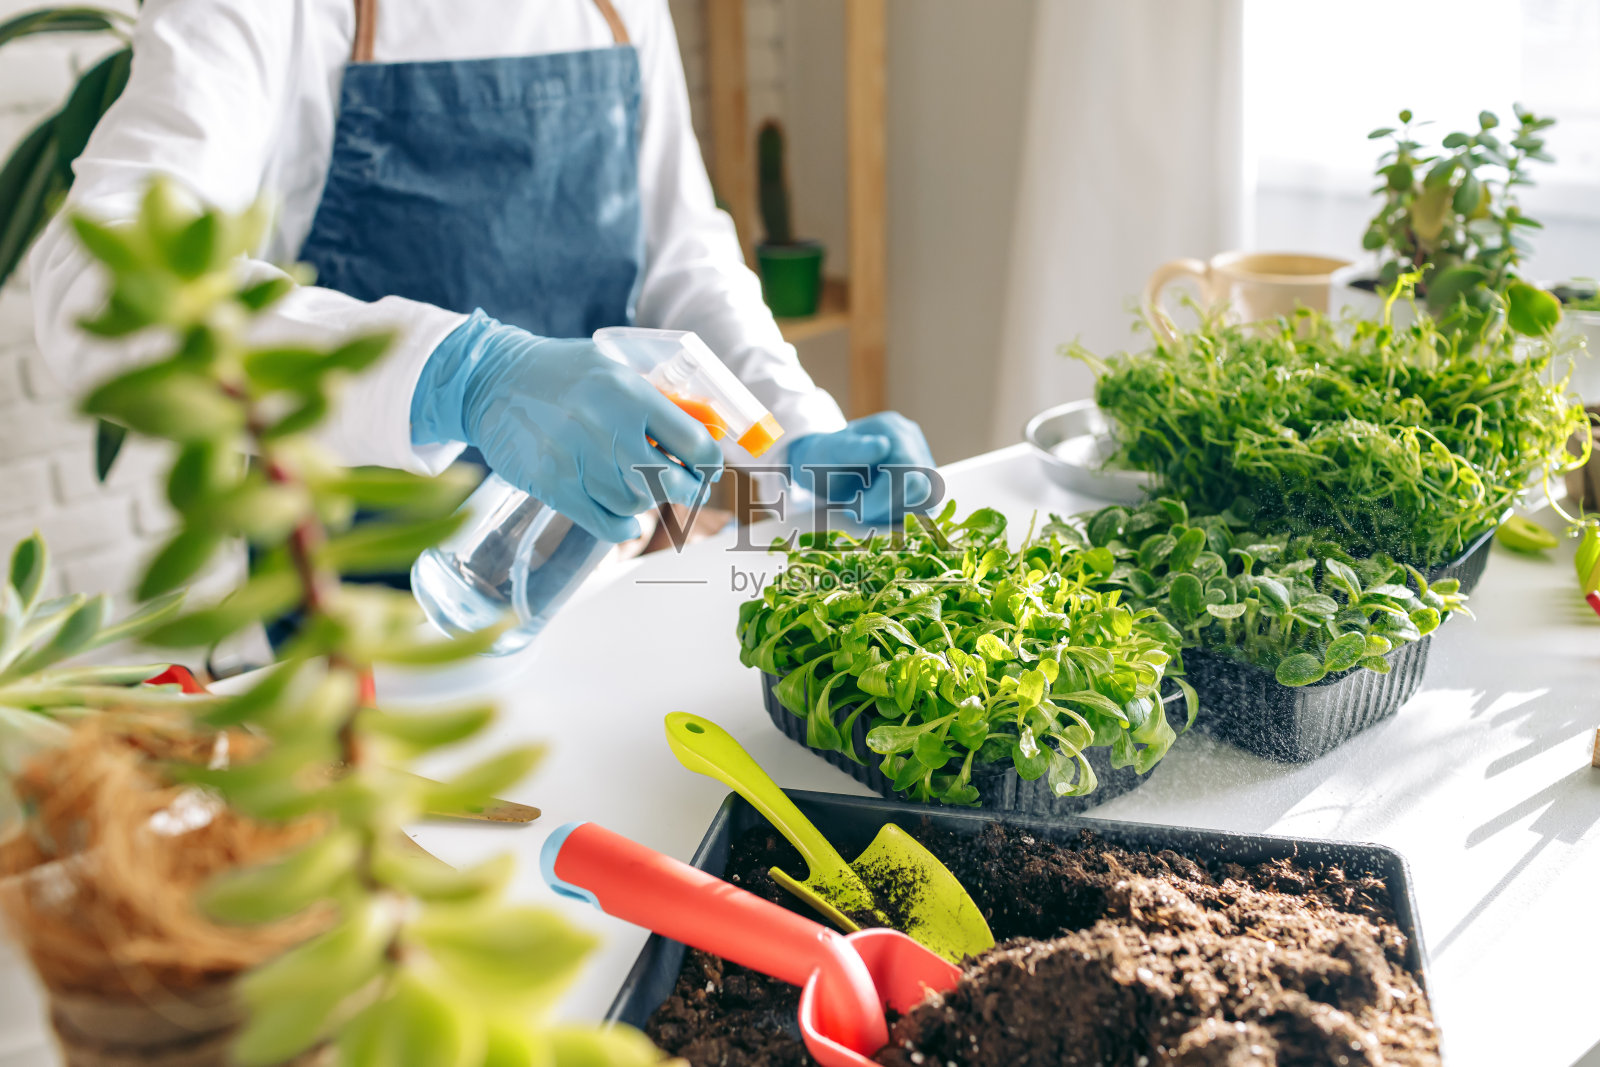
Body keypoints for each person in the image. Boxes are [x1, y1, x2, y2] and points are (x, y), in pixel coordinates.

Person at [30, 0, 935, 560]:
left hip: (606, 558)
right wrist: (469, 373)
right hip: (367, 598)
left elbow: (683, 253)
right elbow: (100, 289)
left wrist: (792, 435)